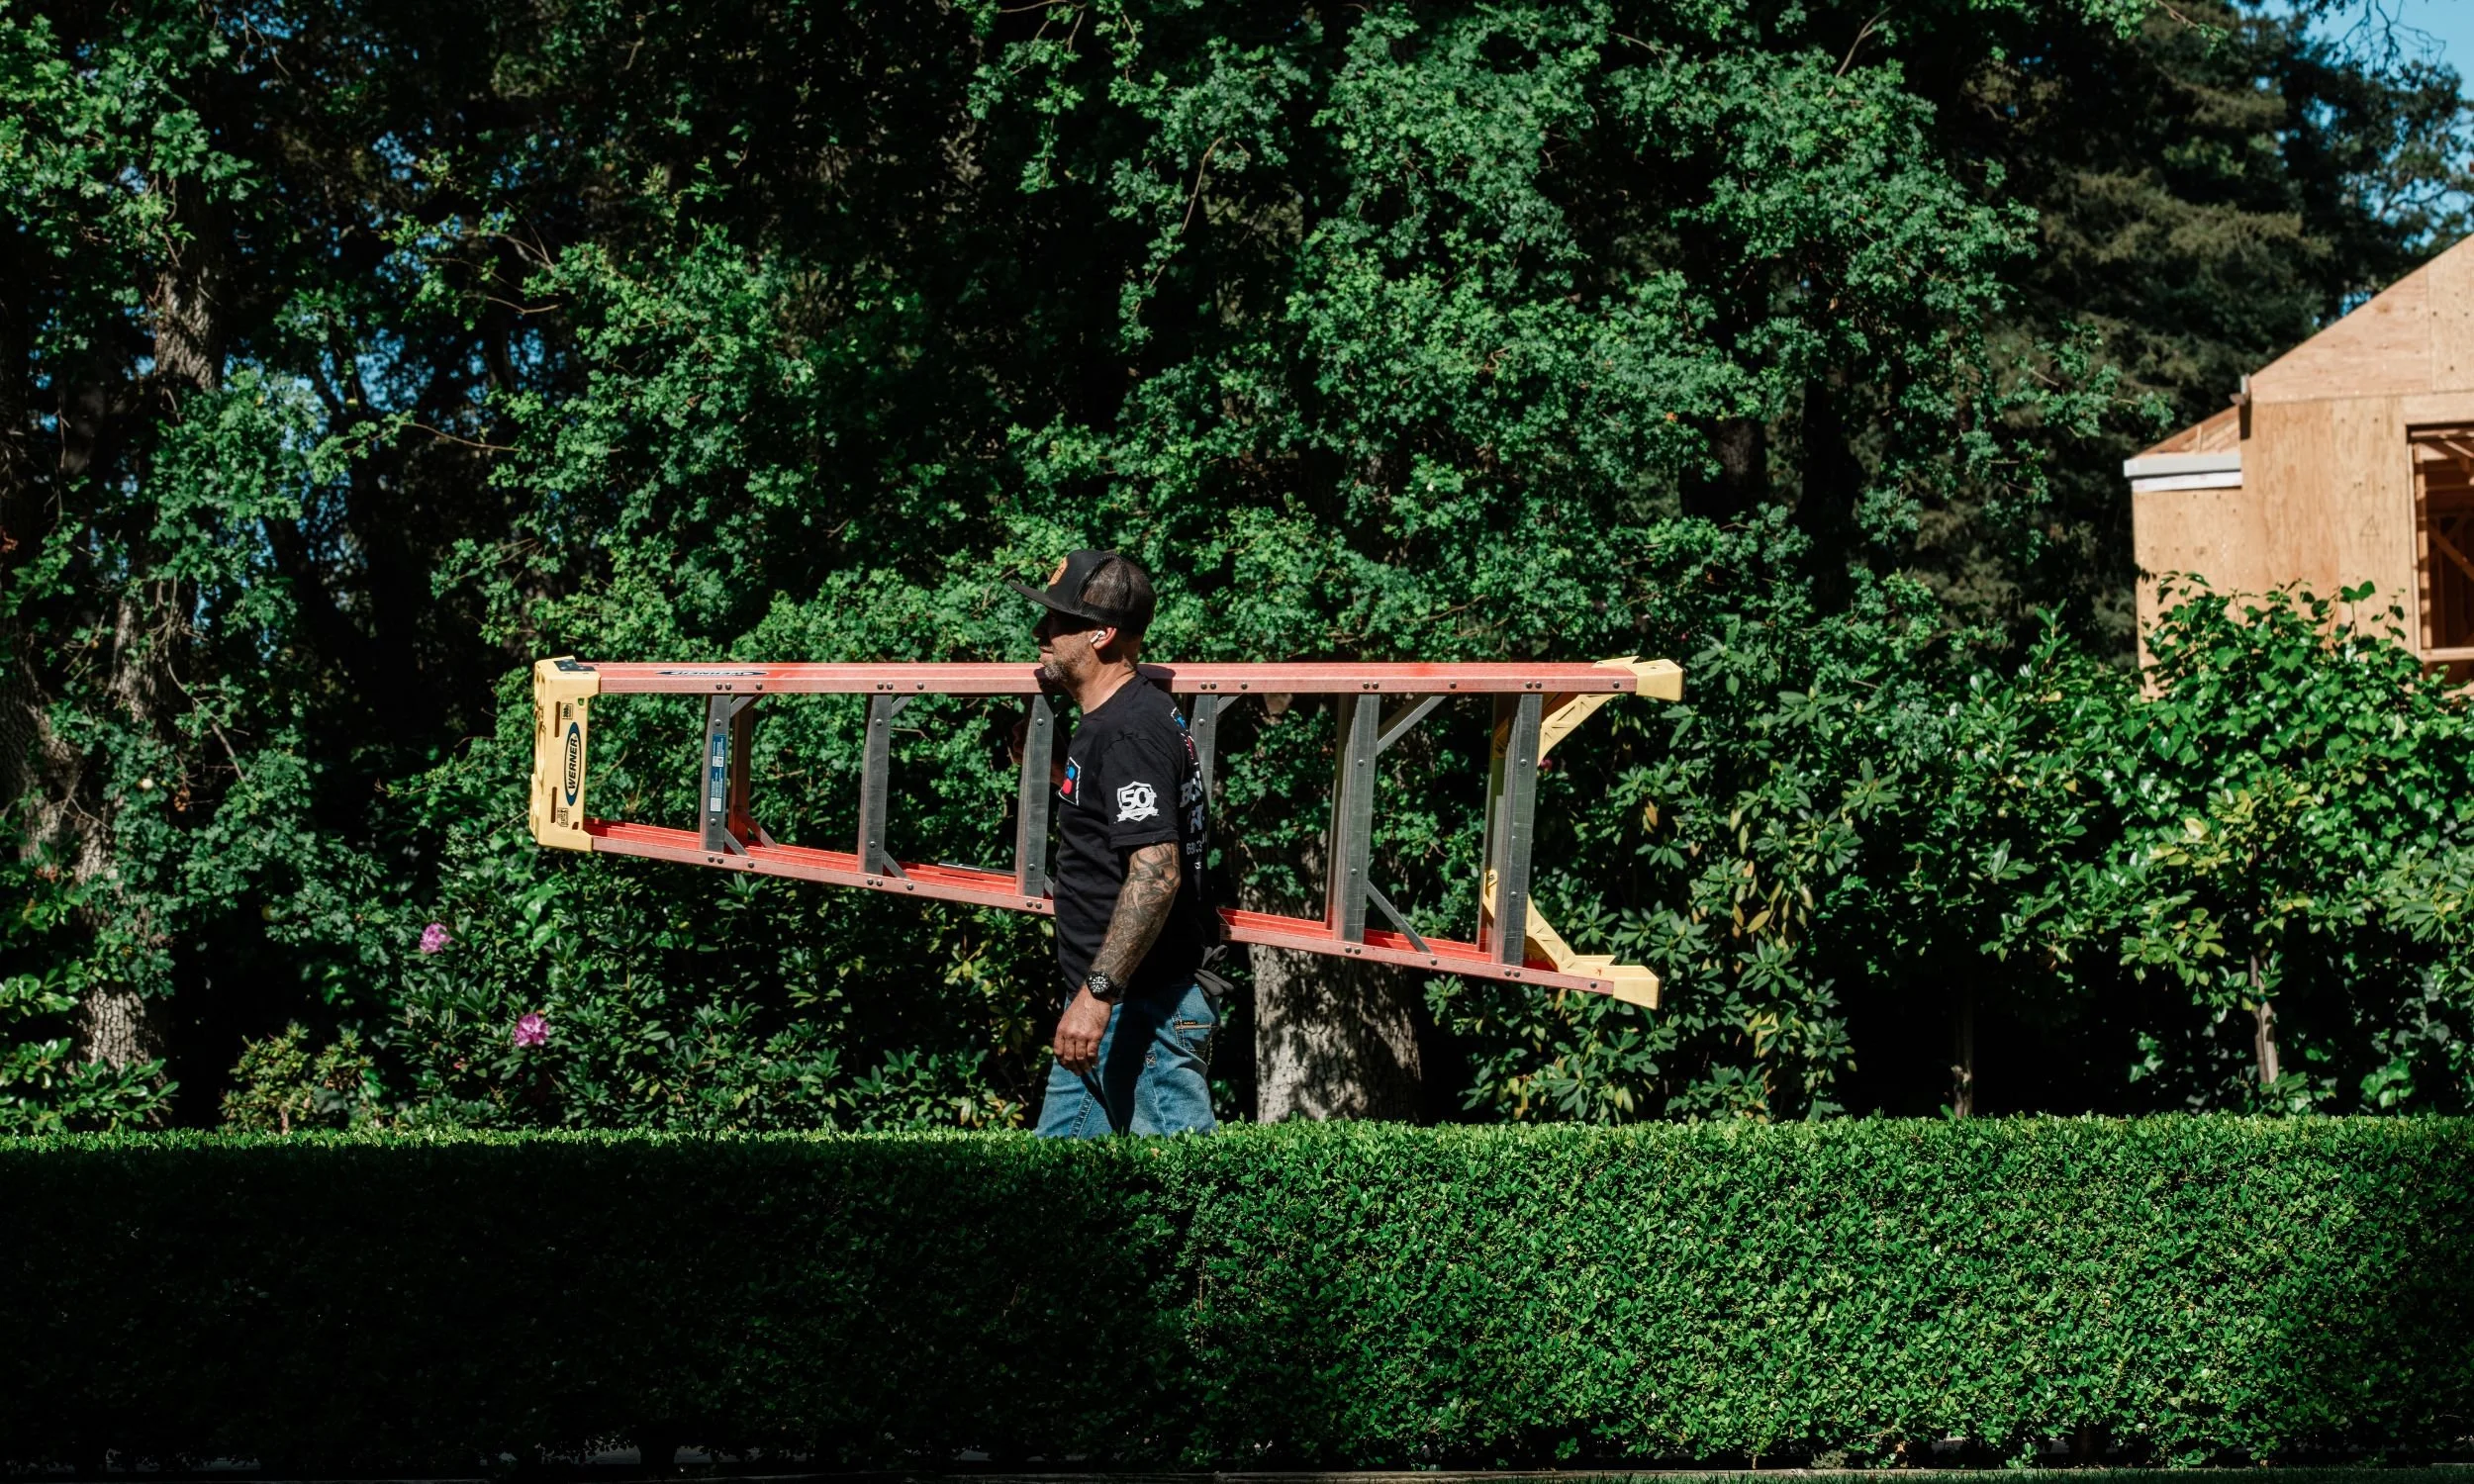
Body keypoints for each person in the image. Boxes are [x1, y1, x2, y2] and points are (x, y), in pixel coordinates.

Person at [1007, 550, 1218, 1137]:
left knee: (1185, 1198)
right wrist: (1058, 770)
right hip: (1113, 1012)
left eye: (1055, 622)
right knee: (1060, 1202)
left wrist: (1097, 997)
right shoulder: (1113, 721)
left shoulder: (1127, 729)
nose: (1039, 635)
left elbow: (1157, 872)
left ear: (1100, 634)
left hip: (1139, 1014)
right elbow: (1119, 815)